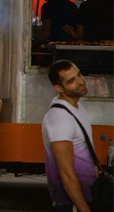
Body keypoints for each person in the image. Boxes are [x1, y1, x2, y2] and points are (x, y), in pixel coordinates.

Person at [43, 60, 98, 212]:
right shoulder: (60, 118)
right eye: (71, 81)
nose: (80, 82)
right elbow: (66, 173)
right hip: (71, 203)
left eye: (78, 75)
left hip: (86, 196)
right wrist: (84, 209)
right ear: (58, 88)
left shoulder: (77, 107)